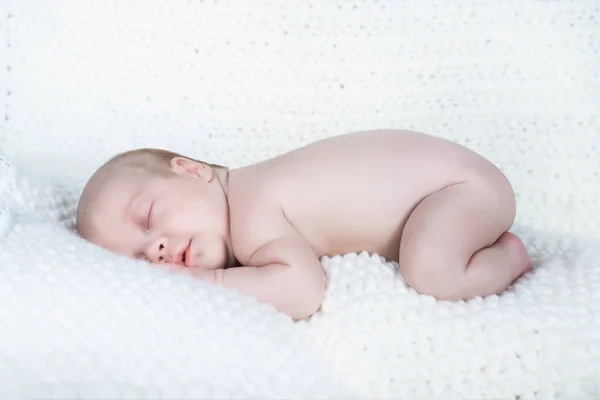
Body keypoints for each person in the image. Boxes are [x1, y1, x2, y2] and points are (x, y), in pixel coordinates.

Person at [76, 129, 532, 320]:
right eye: (137, 258)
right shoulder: (254, 195)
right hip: (453, 187)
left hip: (459, 190)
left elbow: (303, 290)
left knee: (431, 269)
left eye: (150, 217)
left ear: (193, 169)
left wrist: (205, 280)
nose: (155, 249)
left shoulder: (251, 207)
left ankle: (509, 256)